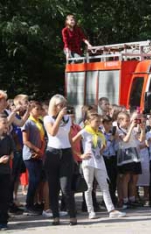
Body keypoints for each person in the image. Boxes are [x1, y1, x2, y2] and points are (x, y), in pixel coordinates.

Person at [72, 112, 125, 219]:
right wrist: (80, 155)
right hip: (88, 163)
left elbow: (103, 144)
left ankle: (111, 210)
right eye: (96, 121)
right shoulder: (85, 131)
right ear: (89, 121)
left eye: (99, 121)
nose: (99, 123)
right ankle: (90, 211)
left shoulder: (100, 132)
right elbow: (72, 142)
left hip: (99, 162)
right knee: (89, 187)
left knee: (104, 185)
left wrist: (101, 150)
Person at [43, 94, 77, 225]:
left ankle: (72, 215)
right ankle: (55, 216)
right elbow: (52, 132)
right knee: (53, 187)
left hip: (66, 152)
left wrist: (75, 154)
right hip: (52, 153)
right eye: (60, 105)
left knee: (66, 187)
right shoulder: (47, 118)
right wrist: (59, 117)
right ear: (54, 106)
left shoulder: (68, 118)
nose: (63, 107)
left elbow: (68, 137)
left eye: (64, 105)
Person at [116, 111, 145, 208]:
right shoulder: (119, 130)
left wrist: (142, 130)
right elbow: (125, 140)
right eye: (127, 121)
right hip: (125, 154)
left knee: (134, 177)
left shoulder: (130, 129)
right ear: (120, 121)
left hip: (134, 154)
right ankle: (125, 200)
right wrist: (131, 127)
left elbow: (141, 140)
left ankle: (132, 198)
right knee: (126, 178)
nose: (129, 122)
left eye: (129, 121)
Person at [22, 101, 46, 216]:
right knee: (34, 180)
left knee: (39, 180)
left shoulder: (40, 122)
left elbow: (43, 138)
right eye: (37, 109)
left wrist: (41, 151)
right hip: (29, 155)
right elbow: (25, 141)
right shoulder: (27, 122)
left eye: (41, 109)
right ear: (31, 110)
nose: (40, 111)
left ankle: (37, 203)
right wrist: (36, 150)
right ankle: (28, 205)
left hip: (39, 154)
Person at [0, 114, 14, 230]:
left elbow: (13, 152)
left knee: (4, 197)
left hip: (5, 172)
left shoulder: (8, 138)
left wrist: (11, 156)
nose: (6, 125)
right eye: (4, 123)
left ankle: (3, 221)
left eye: (6, 122)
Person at [101, 115, 118, 206]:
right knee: (106, 180)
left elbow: (115, 148)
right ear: (103, 124)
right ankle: (105, 200)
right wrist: (110, 140)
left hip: (112, 157)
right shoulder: (101, 133)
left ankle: (112, 197)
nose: (110, 126)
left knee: (113, 179)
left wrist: (116, 139)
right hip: (104, 158)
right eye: (108, 124)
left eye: (111, 124)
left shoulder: (112, 133)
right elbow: (104, 148)